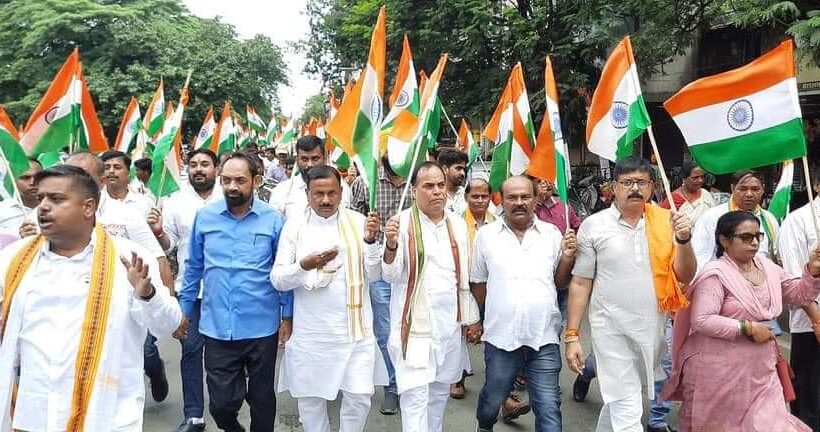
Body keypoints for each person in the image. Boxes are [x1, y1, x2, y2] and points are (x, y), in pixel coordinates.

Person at [0, 165, 182, 431]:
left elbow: (169, 325)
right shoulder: (14, 259)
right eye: (41, 198)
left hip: (106, 414)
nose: (43, 207)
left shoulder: (129, 259)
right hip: (35, 413)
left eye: (56, 199)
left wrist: (148, 294)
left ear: (88, 207)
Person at [565, 156, 696, 432]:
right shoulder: (594, 226)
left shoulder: (667, 222)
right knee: (628, 408)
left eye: (641, 182)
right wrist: (572, 335)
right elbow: (580, 283)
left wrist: (684, 241)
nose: (634, 188)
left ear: (652, 186)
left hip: (652, 329)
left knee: (622, 399)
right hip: (609, 329)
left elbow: (685, 276)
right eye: (627, 182)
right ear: (614, 187)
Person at [664, 211, 820, 431]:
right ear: (724, 240)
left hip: (761, 371)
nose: (754, 242)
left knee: (772, 425)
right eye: (746, 237)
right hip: (719, 374)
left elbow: (799, 294)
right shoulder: (715, 274)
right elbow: (702, 319)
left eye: (758, 236)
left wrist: (812, 271)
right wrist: (746, 327)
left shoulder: (767, 267)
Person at [45, 151, 175, 403]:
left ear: (100, 180)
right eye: (68, 174)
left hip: (126, 304)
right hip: (76, 311)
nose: (73, 181)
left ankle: (155, 371)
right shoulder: (51, 217)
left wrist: (165, 301)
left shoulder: (127, 215)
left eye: (82, 176)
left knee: (143, 353)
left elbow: (157, 256)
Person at [180, 151, 293, 432]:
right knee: (221, 405)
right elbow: (193, 267)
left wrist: (287, 315)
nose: (232, 186)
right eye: (226, 180)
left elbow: (283, 271)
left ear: (256, 181)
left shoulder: (273, 220)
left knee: (261, 397)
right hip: (217, 326)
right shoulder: (205, 217)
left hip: (261, 326)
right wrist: (184, 311)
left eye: (240, 180)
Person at [272, 166, 384, 432]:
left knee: (359, 398)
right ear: (307, 194)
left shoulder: (359, 223)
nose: (325, 200)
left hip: (355, 333)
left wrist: (371, 243)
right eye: (318, 194)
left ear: (341, 192)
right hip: (312, 335)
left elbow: (375, 274)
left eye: (331, 193)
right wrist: (305, 266)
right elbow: (278, 279)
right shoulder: (295, 227)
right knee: (310, 402)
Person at [381, 161, 481, 432]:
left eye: (440, 185)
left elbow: (463, 277)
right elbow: (390, 275)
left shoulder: (457, 224)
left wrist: (471, 317)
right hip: (413, 328)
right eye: (428, 186)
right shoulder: (400, 224)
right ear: (414, 190)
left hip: (448, 326)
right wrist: (391, 245)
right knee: (415, 397)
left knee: (438, 395)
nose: (437, 191)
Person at [472, 176, 577, 432]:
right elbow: (478, 283)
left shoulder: (551, 235)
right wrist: (492, 312)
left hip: (544, 337)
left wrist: (567, 257)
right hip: (500, 338)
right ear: (502, 200)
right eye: (512, 197)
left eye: (525, 197)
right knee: (493, 398)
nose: (519, 202)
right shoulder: (486, 236)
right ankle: (484, 425)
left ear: (534, 199)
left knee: (549, 408)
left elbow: (561, 282)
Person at [147, 148, 221, 432]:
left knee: (223, 353)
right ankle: (194, 415)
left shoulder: (230, 196)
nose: (199, 169)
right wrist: (158, 231)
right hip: (190, 290)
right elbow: (169, 246)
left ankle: (225, 405)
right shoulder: (176, 201)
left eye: (205, 164)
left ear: (216, 168)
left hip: (227, 290)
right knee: (191, 350)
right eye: (193, 165)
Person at [349, 155, 413, 415]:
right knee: (385, 331)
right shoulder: (366, 182)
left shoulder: (416, 180)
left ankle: (413, 381)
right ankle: (392, 386)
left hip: (410, 266)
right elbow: (353, 223)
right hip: (378, 265)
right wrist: (370, 229)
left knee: (412, 325)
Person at [778, 177, 820, 430]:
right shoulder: (799, 221)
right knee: (809, 397)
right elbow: (795, 281)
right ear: (817, 185)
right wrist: (816, 320)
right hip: (811, 324)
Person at [692, 170, 778, 271]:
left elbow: (775, 255)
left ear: (763, 189)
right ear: (733, 188)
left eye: (755, 189)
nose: (749, 194)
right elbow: (700, 256)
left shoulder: (769, 219)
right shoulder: (712, 217)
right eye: (743, 189)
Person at [269, 135, 351, 218]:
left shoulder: (341, 189)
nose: (310, 164)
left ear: (325, 158)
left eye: (315, 159)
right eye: (304, 159)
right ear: (297, 160)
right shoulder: (282, 191)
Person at [101, 150, 153, 219]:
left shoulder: (145, 203)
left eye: (117, 167)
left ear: (128, 172)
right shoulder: (97, 201)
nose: (111, 171)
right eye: (107, 168)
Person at [0, 158, 41, 242]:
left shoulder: (60, 207)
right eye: (25, 178)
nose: (32, 182)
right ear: (13, 180)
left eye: (38, 177)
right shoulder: (2, 211)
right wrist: (19, 238)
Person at [437, 148, 468, 215]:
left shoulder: (468, 194)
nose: (463, 173)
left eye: (464, 169)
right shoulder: (435, 195)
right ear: (445, 169)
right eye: (458, 168)